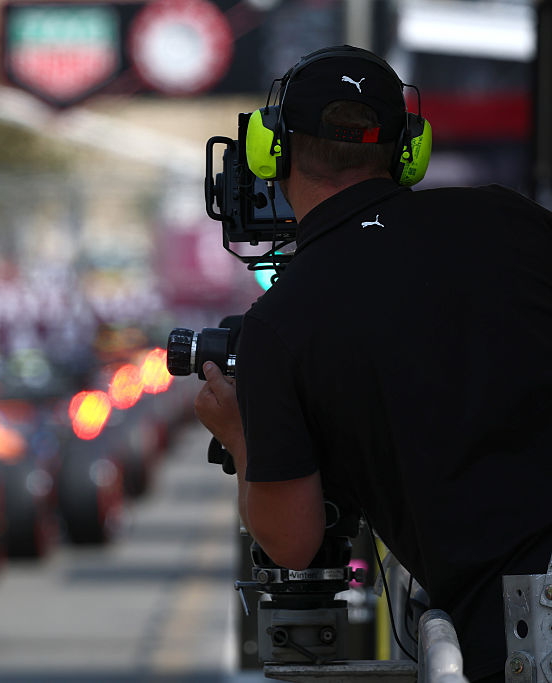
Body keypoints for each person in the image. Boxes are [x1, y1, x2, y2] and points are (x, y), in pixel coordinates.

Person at [194, 44, 552, 682]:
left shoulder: (282, 322)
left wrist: (241, 434)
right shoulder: (512, 218)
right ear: (408, 150)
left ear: (270, 151)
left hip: (513, 640)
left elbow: (293, 542)